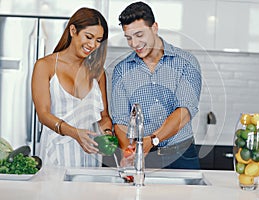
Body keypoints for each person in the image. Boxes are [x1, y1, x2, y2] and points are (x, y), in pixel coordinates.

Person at [111, 1, 202, 169]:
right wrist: (128, 151)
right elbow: (120, 120)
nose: (134, 44)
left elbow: (184, 112)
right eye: (129, 38)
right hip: (142, 155)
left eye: (139, 35)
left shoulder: (186, 63)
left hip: (181, 155)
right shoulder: (121, 70)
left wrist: (152, 141)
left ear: (154, 28)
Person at [31, 7, 112, 167]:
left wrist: (107, 134)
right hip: (55, 156)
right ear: (73, 30)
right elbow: (43, 114)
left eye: (98, 40)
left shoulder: (97, 72)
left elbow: (104, 117)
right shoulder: (45, 66)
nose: (93, 45)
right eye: (88, 37)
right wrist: (76, 134)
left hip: (90, 157)